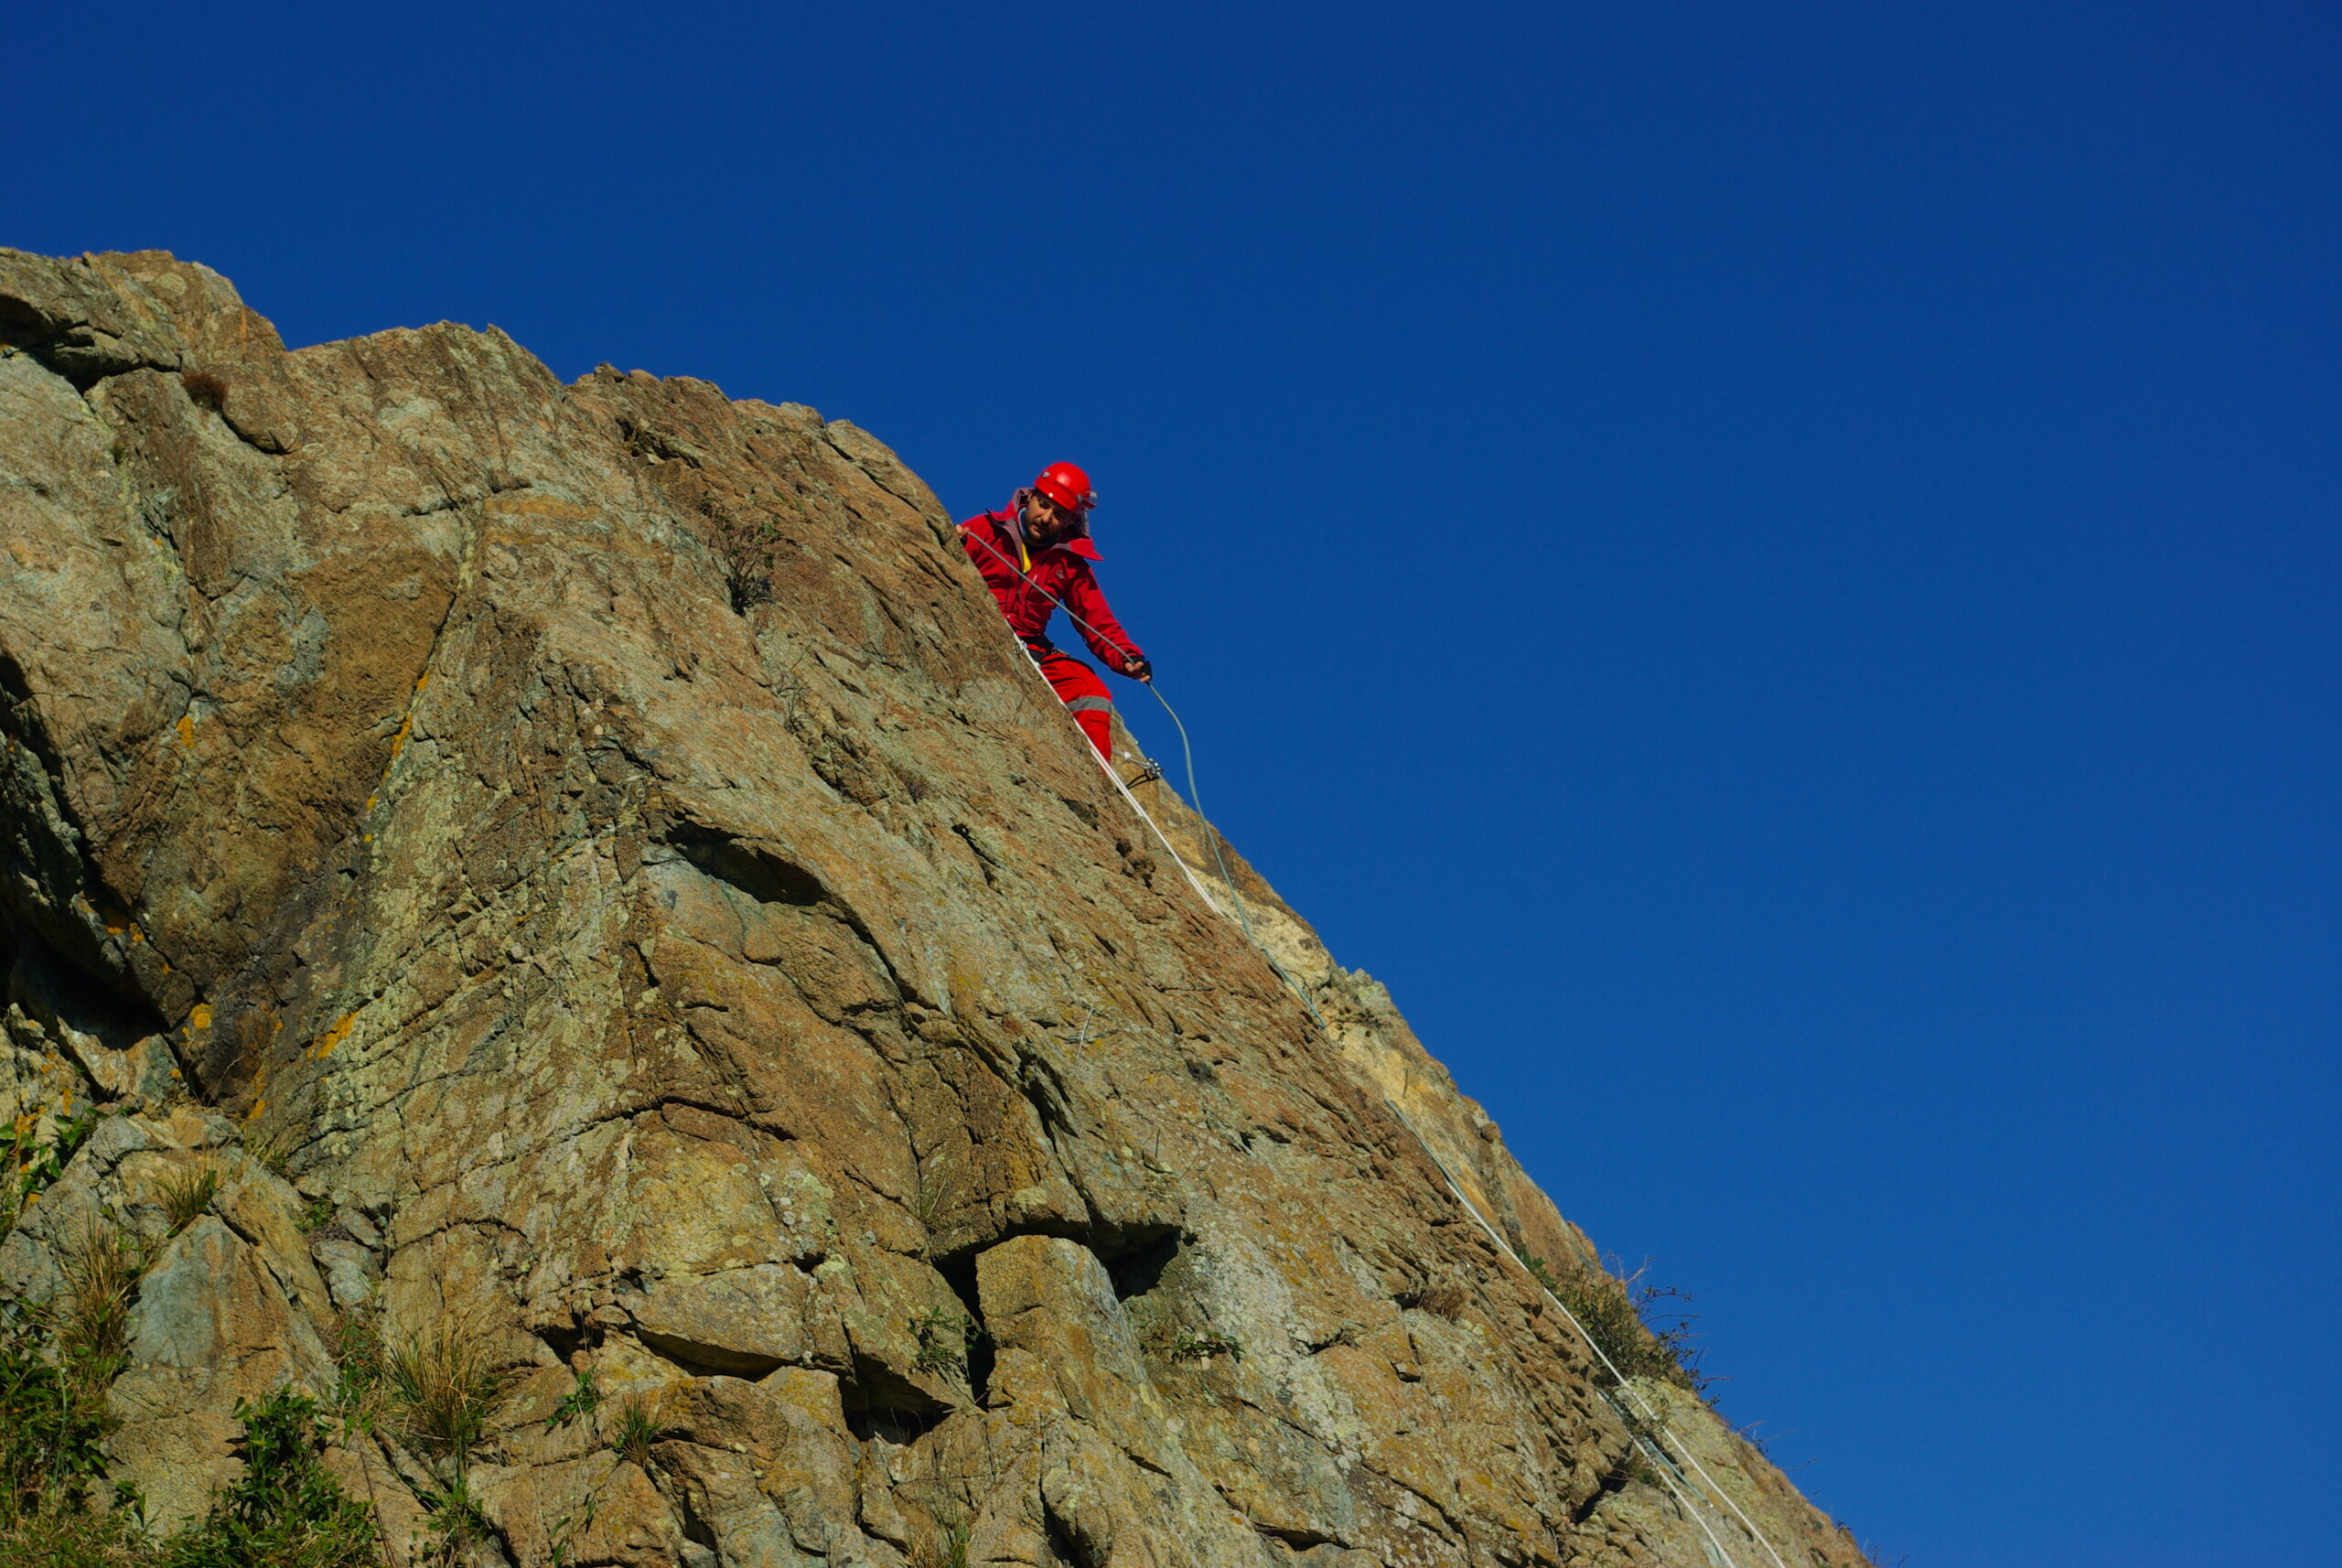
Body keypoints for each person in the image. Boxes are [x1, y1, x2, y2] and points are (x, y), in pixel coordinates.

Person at [959, 462, 1151, 761]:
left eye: (1058, 514)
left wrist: (1127, 657)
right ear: (1030, 497)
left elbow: (1097, 620)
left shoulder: (1069, 562)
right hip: (973, 632)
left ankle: (1097, 787)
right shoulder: (984, 529)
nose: (1046, 517)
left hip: (1030, 649)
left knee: (1092, 694)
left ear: (1070, 520)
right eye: (1043, 505)